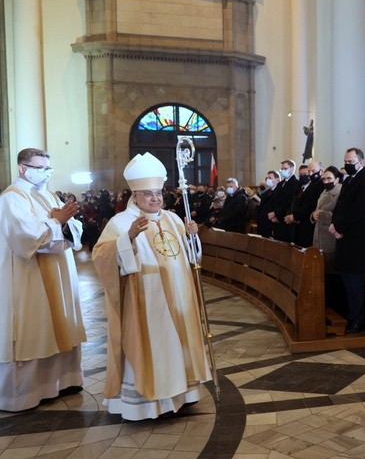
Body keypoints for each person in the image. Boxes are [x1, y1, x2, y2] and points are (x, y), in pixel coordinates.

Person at [92, 153, 211, 420]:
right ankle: (148, 403)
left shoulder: (173, 219)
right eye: (148, 194)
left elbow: (191, 258)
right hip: (146, 301)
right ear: (135, 196)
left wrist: (192, 238)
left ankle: (184, 394)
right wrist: (128, 238)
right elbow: (101, 256)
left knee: (179, 341)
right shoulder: (120, 222)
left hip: (180, 295)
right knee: (155, 343)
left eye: (158, 193)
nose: (155, 198)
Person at [0, 148, 86, 412]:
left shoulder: (48, 194)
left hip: (58, 270)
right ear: (22, 168)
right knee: (34, 328)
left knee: (59, 323)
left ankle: (63, 381)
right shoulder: (11, 198)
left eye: (48, 168)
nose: (46, 173)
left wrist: (67, 223)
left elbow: (74, 229)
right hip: (29, 275)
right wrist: (56, 222)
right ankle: (24, 394)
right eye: (40, 168)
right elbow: (25, 238)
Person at [329, 148, 365, 333]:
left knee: (355, 282)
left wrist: (339, 227)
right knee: (347, 281)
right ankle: (350, 315)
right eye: (345, 162)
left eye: (351, 162)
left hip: (356, 239)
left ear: (361, 161)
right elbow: (340, 207)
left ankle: (358, 320)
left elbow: (360, 211)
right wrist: (335, 225)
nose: (347, 165)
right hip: (344, 237)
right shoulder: (349, 180)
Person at [311, 166, 344, 314]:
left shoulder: (340, 192)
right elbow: (316, 211)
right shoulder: (324, 191)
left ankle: (335, 308)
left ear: (337, 179)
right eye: (324, 178)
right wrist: (313, 216)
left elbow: (339, 215)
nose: (326, 181)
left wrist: (322, 214)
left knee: (332, 272)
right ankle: (326, 304)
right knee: (322, 271)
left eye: (329, 178)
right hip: (319, 234)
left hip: (331, 237)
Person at [286, 160, 324, 247]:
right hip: (300, 225)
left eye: (313, 171)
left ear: (321, 171)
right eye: (309, 171)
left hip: (310, 226)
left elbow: (313, 205)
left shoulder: (322, 185)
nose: (310, 174)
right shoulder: (312, 185)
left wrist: (295, 215)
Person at [269, 160, 300, 242]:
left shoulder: (295, 183)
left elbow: (290, 202)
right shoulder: (280, 184)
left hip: (285, 219)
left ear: (292, 169)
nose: (283, 170)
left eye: (285, 168)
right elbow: (274, 199)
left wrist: (276, 214)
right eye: (282, 169)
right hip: (276, 220)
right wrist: (273, 214)